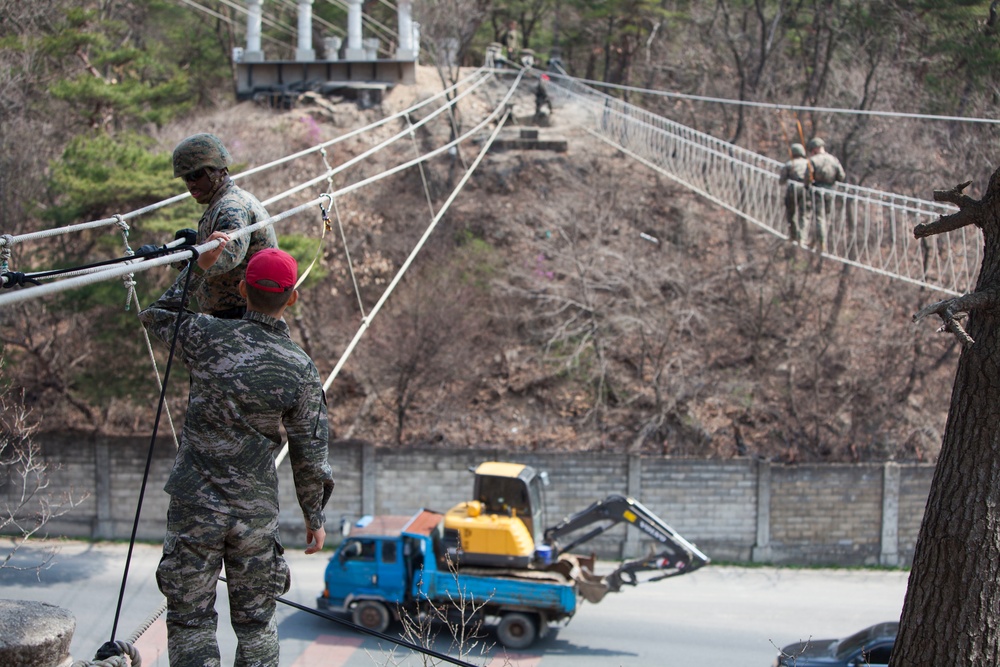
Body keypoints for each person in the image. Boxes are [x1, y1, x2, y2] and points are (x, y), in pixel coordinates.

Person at [139, 237, 334, 667]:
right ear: (293, 297)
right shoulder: (299, 367)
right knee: (257, 624)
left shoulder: (207, 337)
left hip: (195, 506)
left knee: (190, 622)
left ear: (243, 290)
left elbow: (157, 314)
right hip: (254, 513)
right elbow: (310, 452)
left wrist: (201, 267)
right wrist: (314, 518)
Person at [172, 132, 279, 318]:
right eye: (186, 178)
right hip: (237, 314)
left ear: (219, 170)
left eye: (196, 175)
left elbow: (226, 255)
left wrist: (173, 256)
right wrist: (198, 243)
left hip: (242, 316)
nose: (191, 184)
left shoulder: (231, 207)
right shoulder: (225, 201)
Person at [806, 137, 846, 253]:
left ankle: (821, 243)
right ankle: (814, 241)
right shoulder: (833, 159)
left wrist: (808, 185)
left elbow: (807, 177)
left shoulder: (813, 161)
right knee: (825, 218)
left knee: (819, 218)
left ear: (814, 149)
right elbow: (841, 176)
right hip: (830, 192)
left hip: (817, 191)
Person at [778, 143, 810, 245]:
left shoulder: (789, 164)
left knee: (790, 213)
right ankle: (802, 237)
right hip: (805, 189)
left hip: (792, 189)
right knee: (803, 214)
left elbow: (781, 181)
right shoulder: (808, 163)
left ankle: (793, 235)